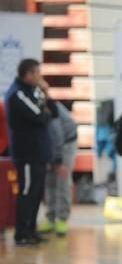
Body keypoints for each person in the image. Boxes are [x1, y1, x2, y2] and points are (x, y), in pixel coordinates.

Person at [4, 58, 58, 246]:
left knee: (36, 192)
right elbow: (40, 117)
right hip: (27, 154)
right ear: (27, 74)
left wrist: (46, 93)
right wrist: (45, 111)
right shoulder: (17, 94)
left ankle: (31, 230)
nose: (39, 77)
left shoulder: (33, 92)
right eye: (36, 73)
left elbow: (54, 113)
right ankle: (22, 232)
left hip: (39, 152)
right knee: (27, 192)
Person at [39, 101, 78, 236]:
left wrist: (58, 161)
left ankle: (62, 219)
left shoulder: (49, 110)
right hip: (52, 145)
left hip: (66, 143)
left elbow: (57, 137)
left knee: (62, 180)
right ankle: (50, 218)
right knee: (49, 181)